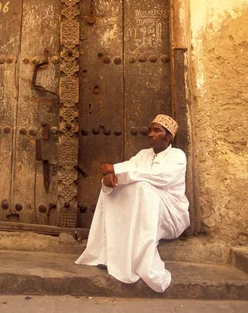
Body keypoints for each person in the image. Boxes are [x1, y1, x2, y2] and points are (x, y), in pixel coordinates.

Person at [75, 114, 189, 293]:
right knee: (116, 188)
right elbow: (129, 166)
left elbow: (161, 178)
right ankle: (108, 254)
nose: (151, 134)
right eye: (150, 130)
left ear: (169, 137)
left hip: (171, 214)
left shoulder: (177, 156)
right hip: (148, 206)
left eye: (157, 131)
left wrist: (116, 170)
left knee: (143, 188)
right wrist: (110, 177)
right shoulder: (143, 154)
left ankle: (135, 261)